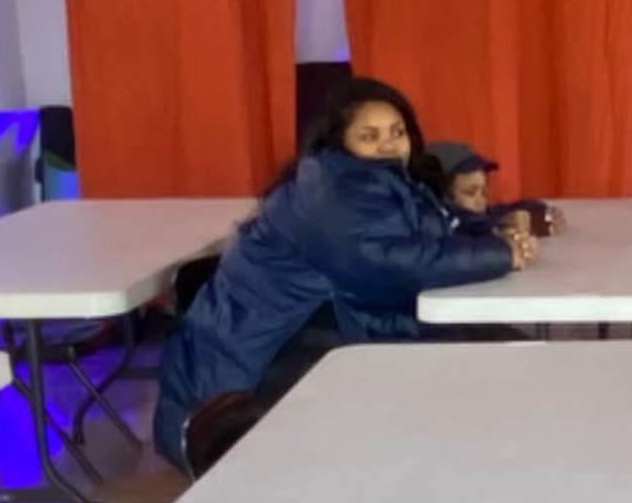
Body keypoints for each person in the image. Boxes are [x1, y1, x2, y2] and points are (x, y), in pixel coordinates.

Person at [145, 78, 538, 470]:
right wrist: (500, 254)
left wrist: (497, 227)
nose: (389, 144)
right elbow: (392, 262)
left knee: (501, 353)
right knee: (490, 362)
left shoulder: (371, 181)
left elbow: (435, 226)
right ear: (338, 143)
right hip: (255, 382)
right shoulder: (333, 192)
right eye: (370, 136)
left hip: (318, 333)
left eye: (397, 133)